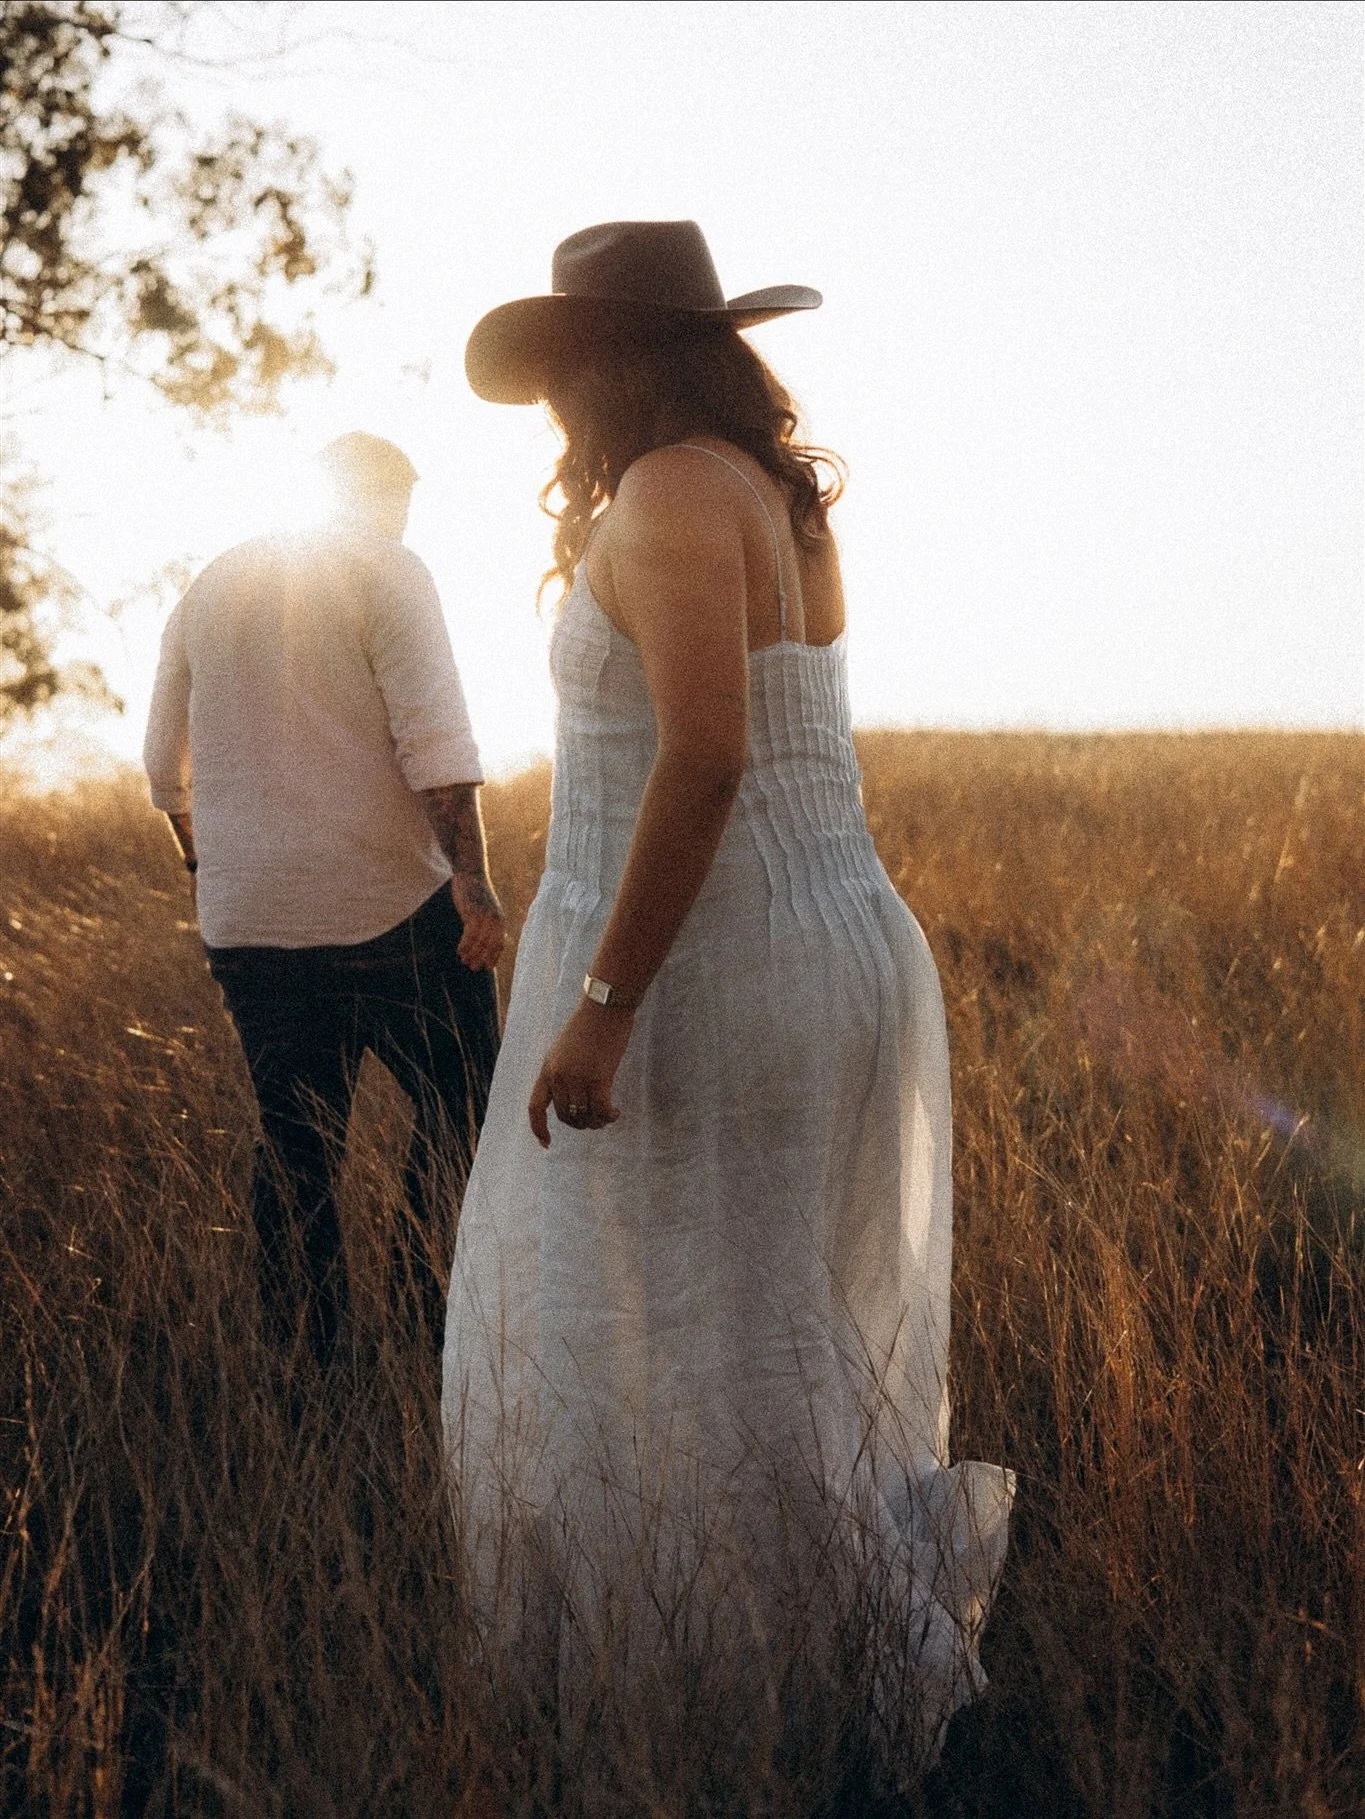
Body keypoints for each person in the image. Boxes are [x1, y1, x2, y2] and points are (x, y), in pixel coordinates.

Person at [442, 223, 1011, 1749]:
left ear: (608, 363)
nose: (558, 407)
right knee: (752, 1324)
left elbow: (706, 754)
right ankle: (793, 1689)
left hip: (712, 957)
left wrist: (605, 1000)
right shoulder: (755, 490)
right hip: (784, 932)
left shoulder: (680, 487)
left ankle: (715, 1706)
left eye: (567, 371)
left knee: (679, 1332)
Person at [144, 432, 504, 1366]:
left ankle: (312, 1372)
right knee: (463, 1111)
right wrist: (473, 883)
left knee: (296, 1144)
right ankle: (433, 1331)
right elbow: (436, 741)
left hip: (248, 924)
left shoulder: (212, 582)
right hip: (389, 910)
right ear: (388, 493)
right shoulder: (390, 568)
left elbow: (160, 766)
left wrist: (209, 866)